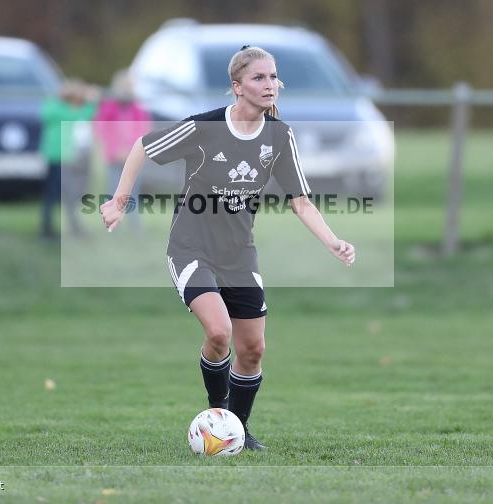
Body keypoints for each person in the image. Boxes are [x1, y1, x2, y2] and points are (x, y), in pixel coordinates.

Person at [100, 46, 355, 451]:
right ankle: (217, 415)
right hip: (190, 248)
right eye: (258, 78)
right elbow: (143, 147)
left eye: (273, 77)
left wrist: (333, 241)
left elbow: (300, 201)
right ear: (237, 87)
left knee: (252, 349)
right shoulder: (204, 129)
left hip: (238, 254)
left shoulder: (279, 135)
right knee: (219, 332)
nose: (269, 84)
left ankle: (239, 428)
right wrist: (119, 200)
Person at [93, 69, 151, 232]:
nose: (126, 90)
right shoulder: (109, 108)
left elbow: (143, 131)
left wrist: (131, 152)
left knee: (133, 192)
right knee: (113, 191)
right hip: (114, 157)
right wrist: (114, 150)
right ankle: (111, 224)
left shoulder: (138, 109)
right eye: (122, 87)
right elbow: (101, 129)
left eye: (129, 87)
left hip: (133, 158)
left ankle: (134, 226)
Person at [39, 79, 98, 240]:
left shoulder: (52, 107)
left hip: (59, 157)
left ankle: (58, 226)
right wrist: (91, 102)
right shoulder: (64, 110)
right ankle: (51, 228)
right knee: (59, 195)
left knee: (56, 194)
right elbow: (84, 114)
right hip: (60, 157)